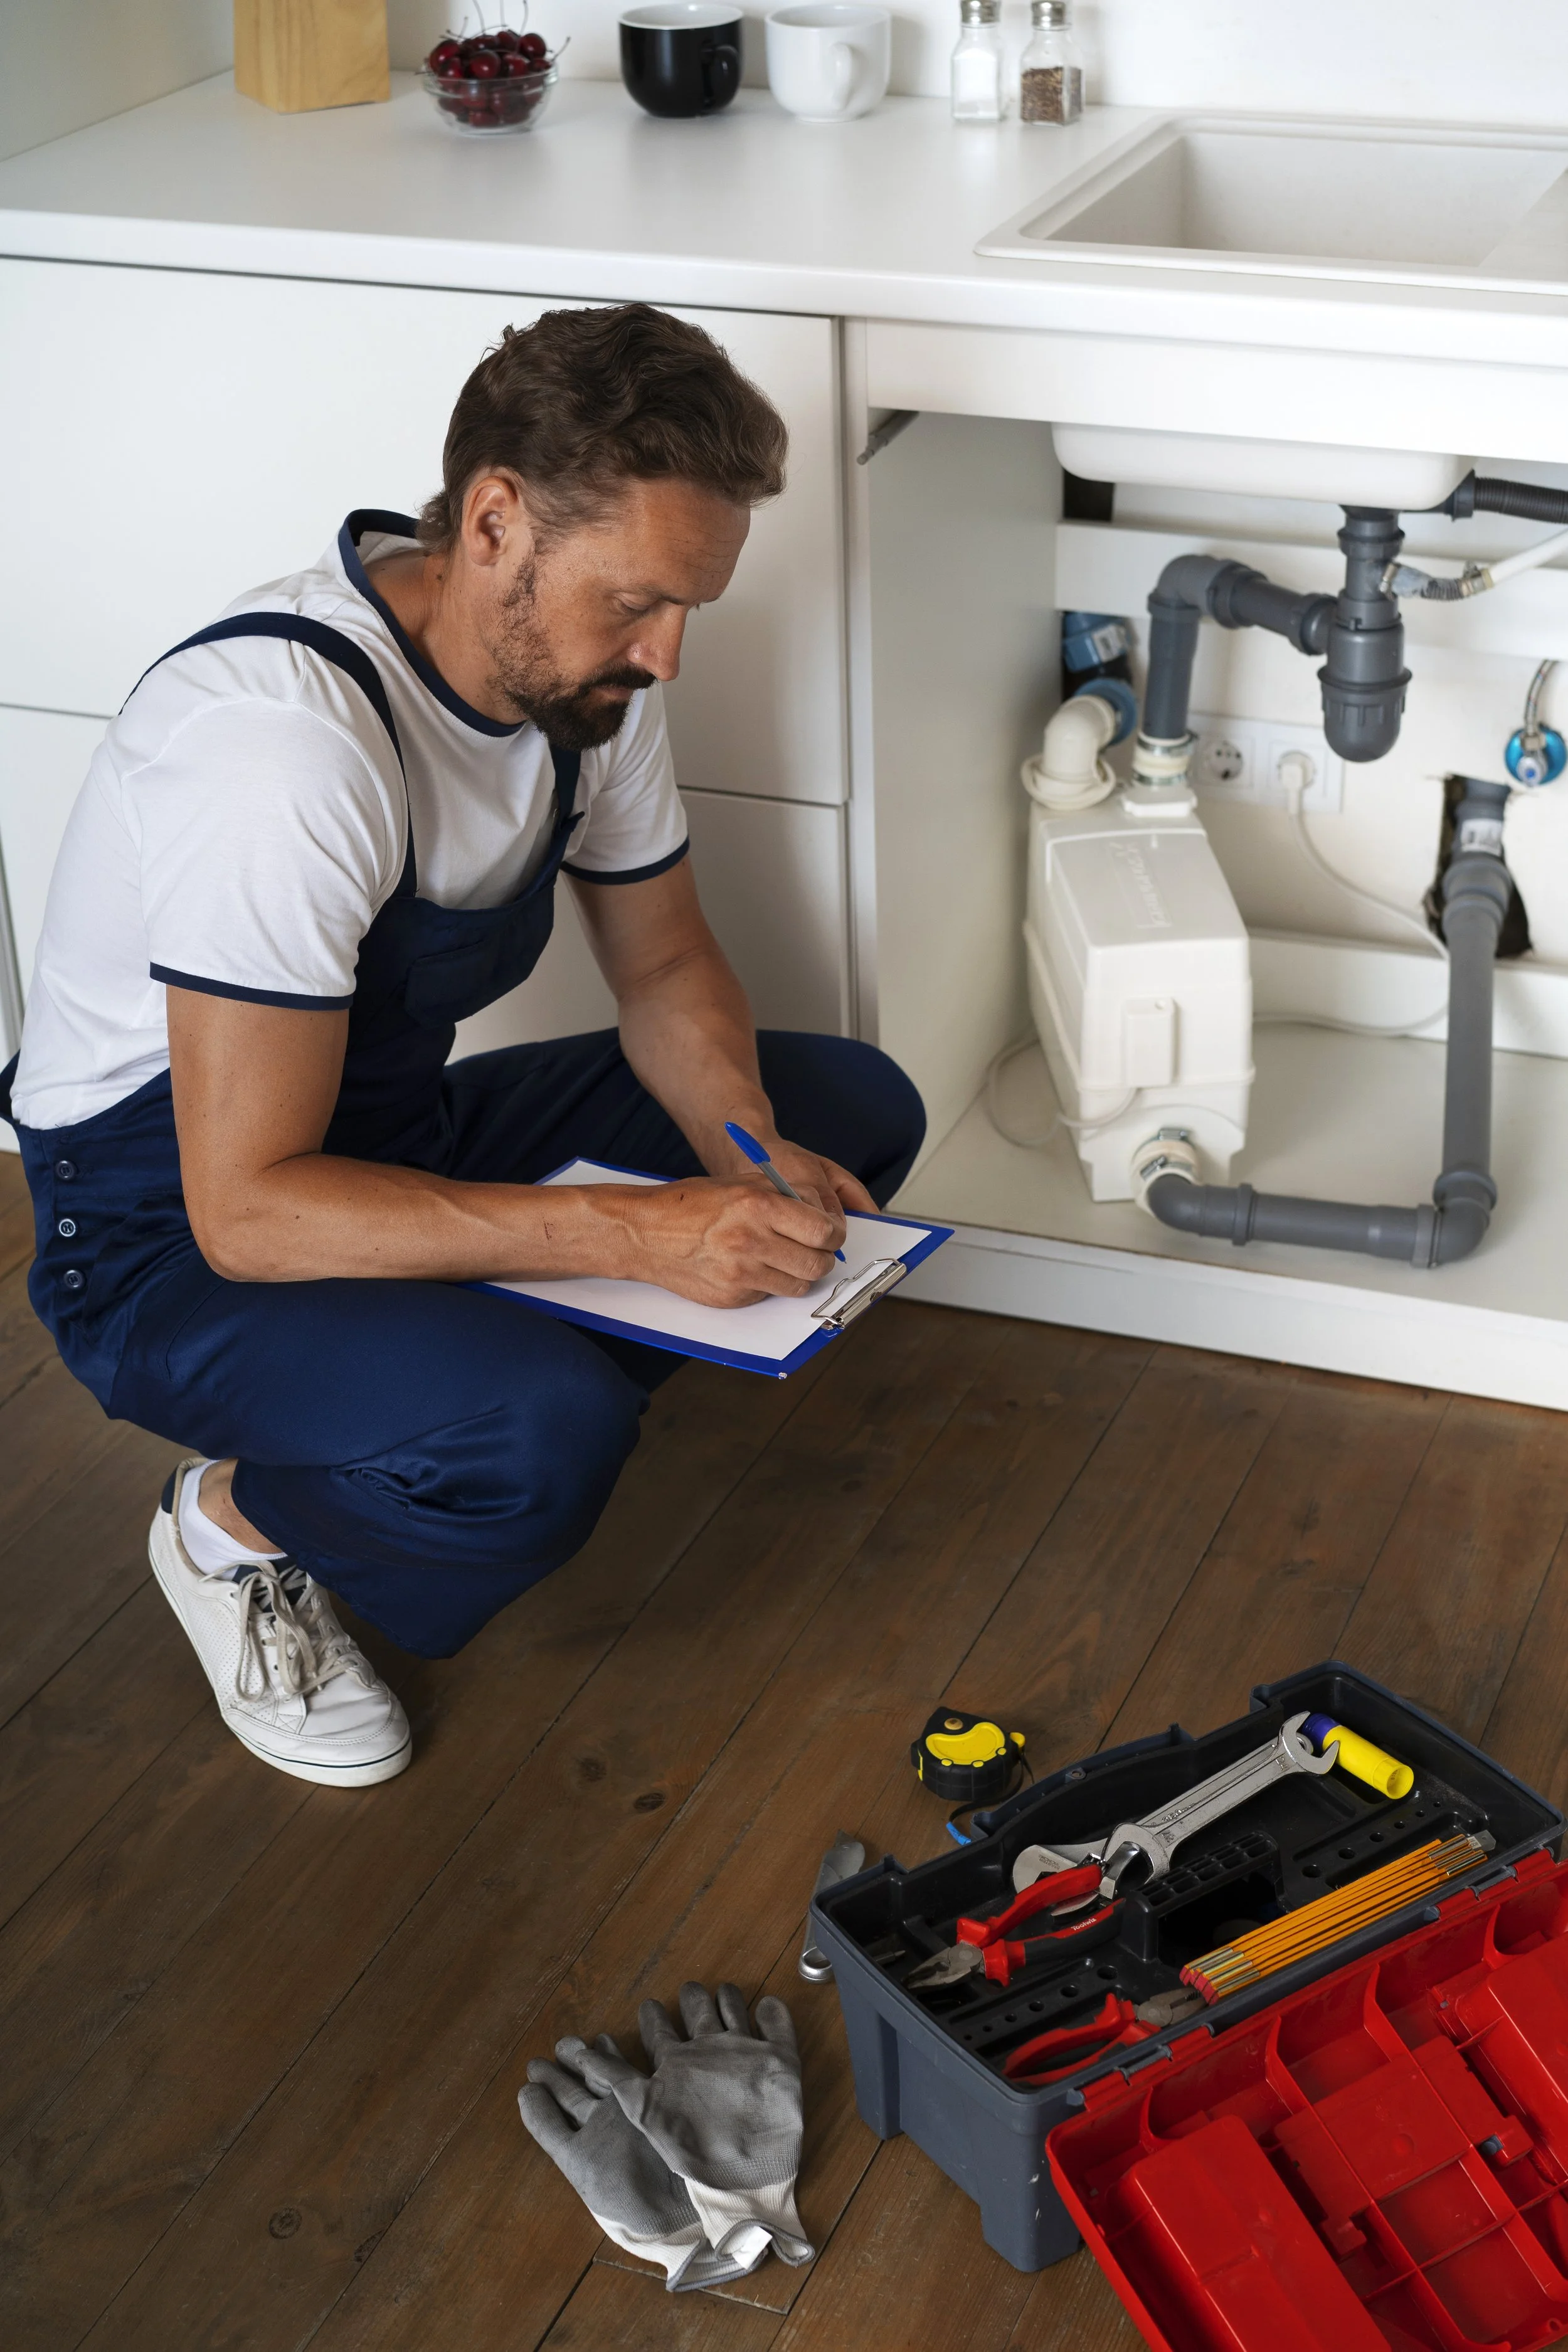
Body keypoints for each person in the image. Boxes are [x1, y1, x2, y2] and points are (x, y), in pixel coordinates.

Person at [2, 304, 923, 1789]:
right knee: (535, 1432)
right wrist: (637, 1235)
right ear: (495, 519)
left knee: (847, 1105)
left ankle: (457, 1388)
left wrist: (746, 1165)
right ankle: (238, 1530)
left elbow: (670, 962)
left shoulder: (584, 681)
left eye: (687, 608)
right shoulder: (284, 745)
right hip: (166, 1233)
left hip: (384, 1145)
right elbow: (244, 1209)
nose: (668, 655)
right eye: (639, 602)